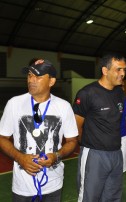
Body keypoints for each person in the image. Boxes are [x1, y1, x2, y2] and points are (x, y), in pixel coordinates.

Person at [0, 59, 78, 202]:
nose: (31, 80)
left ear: (51, 81)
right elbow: (2, 138)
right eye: (30, 75)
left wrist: (56, 156)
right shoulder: (14, 104)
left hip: (54, 184)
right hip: (22, 187)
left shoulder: (64, 106)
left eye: (38, 76)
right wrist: (20, 158)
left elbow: (72, 141)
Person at [73, 53, 126, 202]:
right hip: (94, 155)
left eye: (124, 70)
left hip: (116, 153)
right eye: (118, 69)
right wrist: (90, 144)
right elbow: (77, 127)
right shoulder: (87, 93)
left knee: (112, 197)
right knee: (89, 198)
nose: (122, 73)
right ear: (105, 70)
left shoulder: (119, 93)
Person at [120, 81, 126, 172]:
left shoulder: (124, 99)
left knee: (121, 169)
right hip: (107, 138)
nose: (122, 88)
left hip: (122, 136)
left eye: (123, 86)